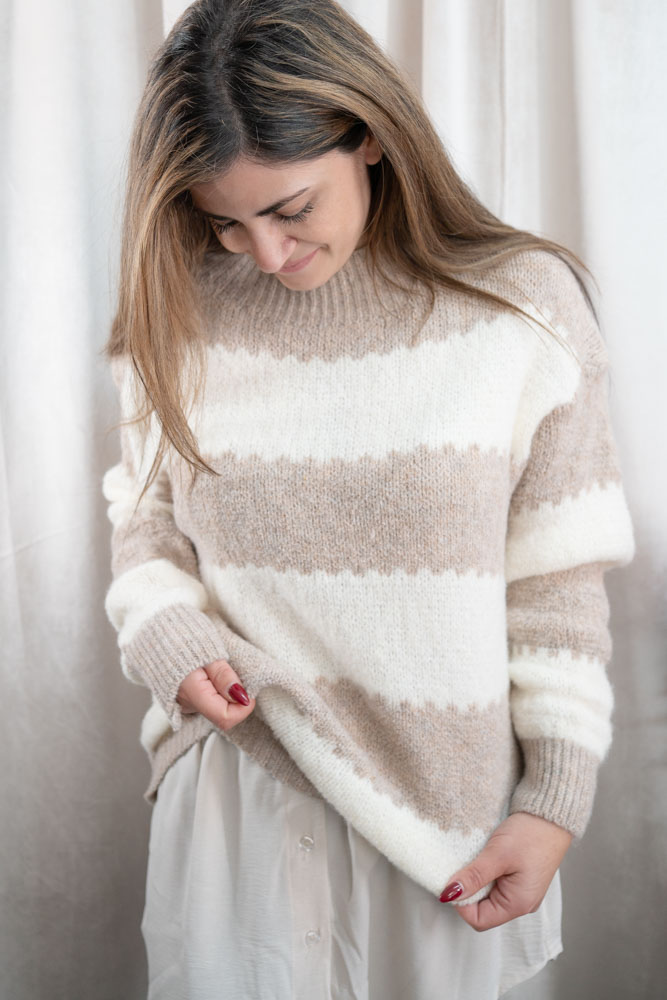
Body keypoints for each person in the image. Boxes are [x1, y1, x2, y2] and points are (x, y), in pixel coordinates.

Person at [101, 0, 636, 996]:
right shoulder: (183, 304)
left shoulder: (520, 307)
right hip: (241, 802)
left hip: (446, 830)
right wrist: (163, 629)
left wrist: (553, 800)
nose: (265, 254)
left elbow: (556, 582)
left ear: (373, 136)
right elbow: (145, 517)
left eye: (291, 208)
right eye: (225, 223)